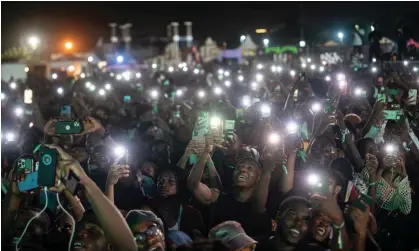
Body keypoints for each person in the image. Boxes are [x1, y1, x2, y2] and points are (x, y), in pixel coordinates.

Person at [187, 138, 272, 237]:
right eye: (239, 167)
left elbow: (260, 202)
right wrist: (206, 152)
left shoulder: (258, 207)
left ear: (258, 178)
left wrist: (268, 168)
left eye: (250, 168)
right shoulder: (218, 197)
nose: (243, 169)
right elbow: (193, 184)